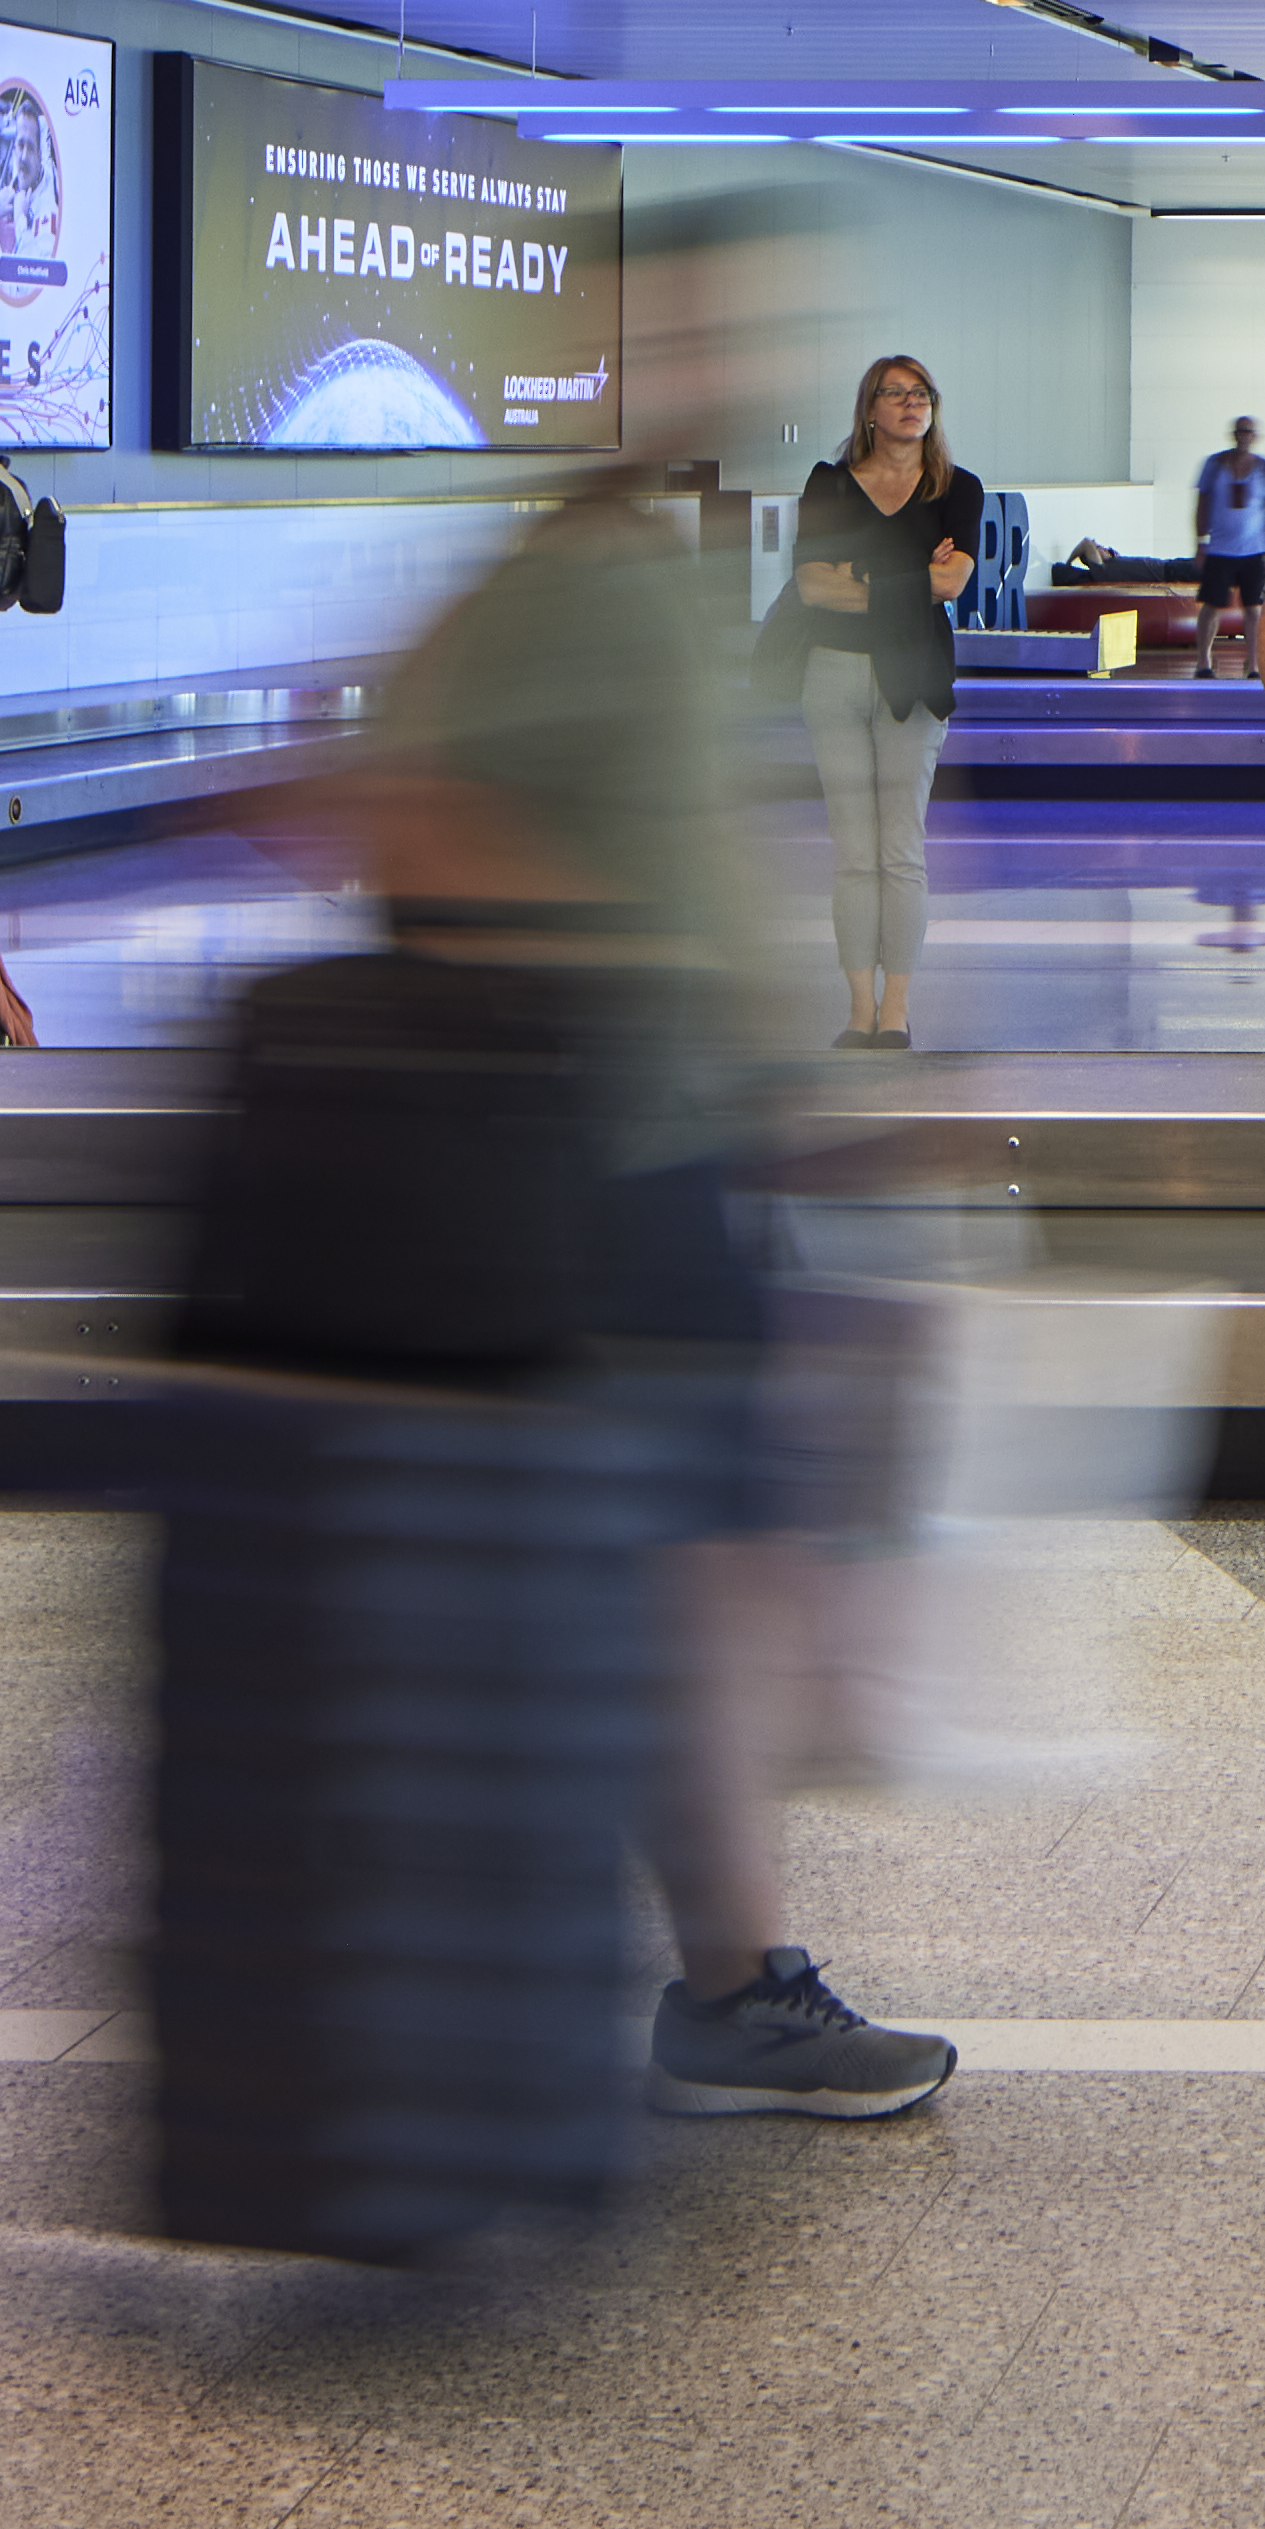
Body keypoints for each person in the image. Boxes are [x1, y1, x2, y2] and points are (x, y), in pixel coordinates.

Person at [343, 208, 960, 2121]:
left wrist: (776, 1055)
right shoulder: (558, 573)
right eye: (697, 326)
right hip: (603, 1153)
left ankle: (714, 1959)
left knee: (709, 1559)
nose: (731, 361)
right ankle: (718, 1974)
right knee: (698, 1567)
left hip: (677, 1138)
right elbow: (393, 808)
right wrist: (630, 966)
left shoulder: (652, 559)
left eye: (751, 326)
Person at [779, 352, 985, 1043]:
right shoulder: (828, 485)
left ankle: (895, 1011)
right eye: (893, 393)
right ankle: (857, 1009)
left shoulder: (958, 488)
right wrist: (907, 581)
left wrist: (862, 581)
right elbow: (812, 586)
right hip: (833, 677)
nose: (909, 403)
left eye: (920, 391)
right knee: (853, 853)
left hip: (915, 677)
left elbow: (952, 583)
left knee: (901, 851)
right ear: (869, 410)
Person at [1190, 411, 1265, 681]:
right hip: (1219, 548)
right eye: (1240, 432)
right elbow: (1202, 503)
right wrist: (1200, 542)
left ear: (1255, 437)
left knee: (1254, 609)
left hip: (1253, 549)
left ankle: (1253, 663)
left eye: (1248, 432)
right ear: (1234, 435)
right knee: (1211, 606)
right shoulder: (1214, 464)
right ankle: (1203, 661)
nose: (1244, 437)